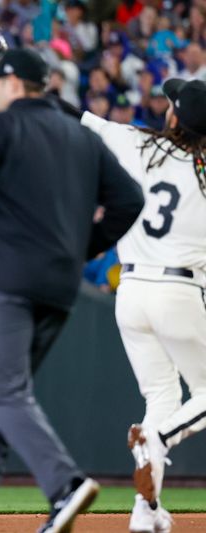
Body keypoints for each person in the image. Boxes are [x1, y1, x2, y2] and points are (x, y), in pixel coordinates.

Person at [0, 49, 144, 533]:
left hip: (5, 281)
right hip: (59, 287)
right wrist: (81, 248)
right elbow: (129, 199)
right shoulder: (81, 136)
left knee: (1, 391)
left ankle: (65, 485)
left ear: (12, 83)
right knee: (2, 397)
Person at [80, 78, 206, 533]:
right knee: (196, 398)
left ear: (175, 116)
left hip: (130, 293)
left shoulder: (136, 142)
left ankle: (145, 512)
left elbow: (76, 117)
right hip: (179, 293)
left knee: (162, 396)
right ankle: (159, 436)